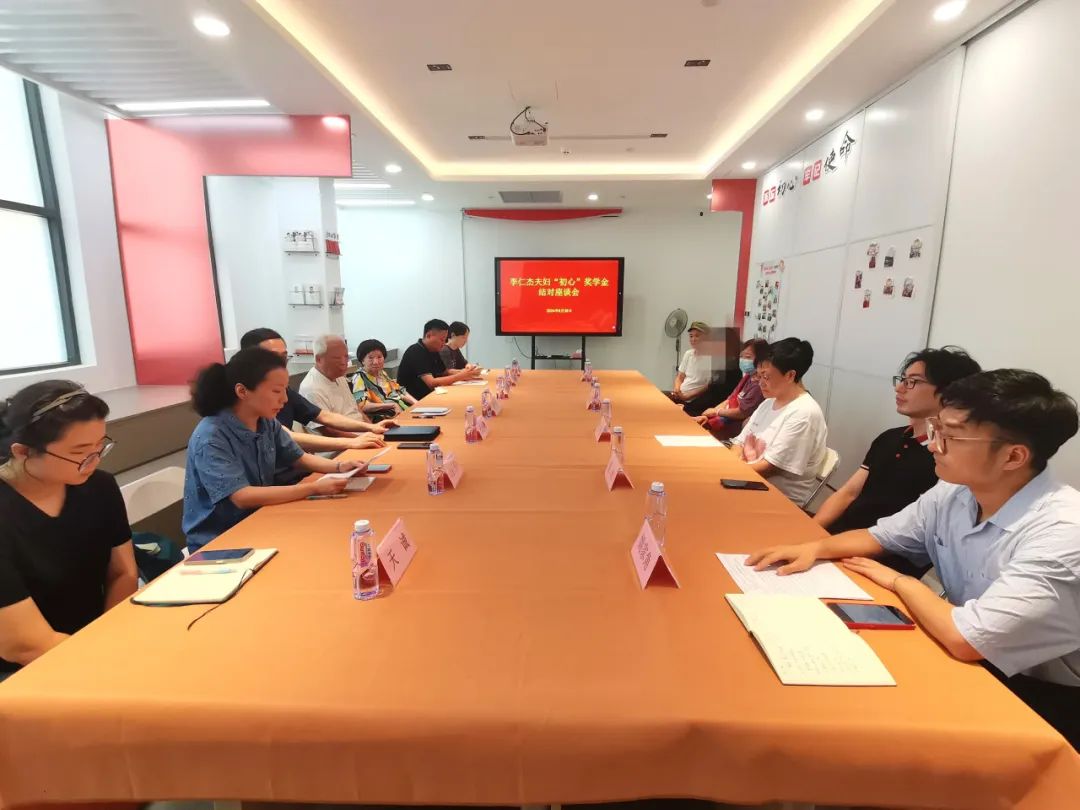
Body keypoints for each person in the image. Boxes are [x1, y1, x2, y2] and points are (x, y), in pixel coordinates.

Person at [747, 370, 1080, 748]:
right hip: (975, 658)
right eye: (937, 429)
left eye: (950, 436)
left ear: (1013, 456)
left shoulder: (1063, 532)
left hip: (1044, 697)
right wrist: (815, 548)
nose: (934, 445)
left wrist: (900, 582)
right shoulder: (954, 491)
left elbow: (967, 638)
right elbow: (880, 536)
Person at [0, 381, 138, 677]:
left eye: (100, 446)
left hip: (92, 644)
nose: (94, 460)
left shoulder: (100, 486)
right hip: (25, 671)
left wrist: (110, 637)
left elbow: (123, 572)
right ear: (23, 452)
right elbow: (23, 645)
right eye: (80, 452)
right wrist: (105, 664)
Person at [183, 348, 367, 552]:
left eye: (285, 391)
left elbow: (298, 457)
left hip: (262, 520)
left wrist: (340, 467)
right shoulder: (211, 437)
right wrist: (314, 488)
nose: (285, 399)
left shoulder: (265, 421)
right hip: (221, 542)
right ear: (242, 391)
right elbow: (242, 497)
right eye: (276, 391)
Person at [815, 347, 981, 534]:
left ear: (948, 393)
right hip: (841, 535)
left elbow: (915, 531)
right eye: (903, 379)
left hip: (882, 545)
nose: (899, 388)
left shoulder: (947, 458)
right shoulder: (889, 437)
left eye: (913, 382)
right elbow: (848, 493)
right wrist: (813, 528)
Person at [240, 328, 390, 454]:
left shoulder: (285, 389)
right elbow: (290, 437)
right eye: (273, 357)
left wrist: (371, 428)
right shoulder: (245, 400)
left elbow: (322, 416)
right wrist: (354, 442)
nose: (284, 399)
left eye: (284, 356)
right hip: (337, 449)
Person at [729, 338, 827, 505]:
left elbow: (768, 468)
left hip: (776, 500)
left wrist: (728, 471)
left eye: (766, 377)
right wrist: (728, 467)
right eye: (758, 376)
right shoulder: (768, 403)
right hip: (745, 483)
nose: (760, 383)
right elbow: (738, 443)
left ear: (790, 375)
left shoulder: (804, 413)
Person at [298, 335, 387, 433]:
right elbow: (328, 431)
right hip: (346, 439)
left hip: (363, 432)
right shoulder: (311, 388)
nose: (344, 362)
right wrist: (365, 437)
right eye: (337, 358)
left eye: (346, 357)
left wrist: (373, 429)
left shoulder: (339, 376)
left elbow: (356, 409)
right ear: (319, 359)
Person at [695, 338, 769, 438]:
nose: (743, 360)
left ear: (761, 360)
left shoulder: (758, 385)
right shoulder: (748, 376)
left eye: (748, 357)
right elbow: (731, 398)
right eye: (741, 356)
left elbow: (742, 412)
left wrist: (716, 412)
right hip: (725, 418)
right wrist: (710, 415)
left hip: (735, 427)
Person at [396, 318, 481, 401]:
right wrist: (461, 376)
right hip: (415, 400)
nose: (444, 343)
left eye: (445, 340)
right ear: (428, 335)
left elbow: (445, 372)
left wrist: (468, 372)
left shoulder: (434, 349)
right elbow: (432, 383)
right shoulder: (416, 351)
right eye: (442, 340)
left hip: (433, 394)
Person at [354, 338, 417, 417]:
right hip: (385, 417)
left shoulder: (382, 373)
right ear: (362, 360)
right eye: (370, 358)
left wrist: (417, 403)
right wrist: (392, 405)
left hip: (402, 410)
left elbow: (399, 391)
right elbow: (362, 406)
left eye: (379, 357)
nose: (376, 362)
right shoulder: (359, 378)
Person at [671, 321, 713, 414]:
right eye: (691, 336)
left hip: (695, 401)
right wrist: (677, 389)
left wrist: (688, 396)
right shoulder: (688, 354)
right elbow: (680, 377)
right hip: (680, 396)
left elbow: (708, 386)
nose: (693, 339)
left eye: (697, 336)